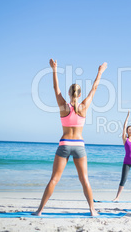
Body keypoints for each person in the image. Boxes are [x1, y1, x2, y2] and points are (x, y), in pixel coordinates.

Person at [32, 59, 107, 216]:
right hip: (79, 145)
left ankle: (39, 211)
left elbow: (55, 89)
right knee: (84, 179)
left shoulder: (63, 106)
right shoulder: (84, 106)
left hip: (65, 144)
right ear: (80, 94)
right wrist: (100, 72)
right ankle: (93, 210)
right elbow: (95, 88)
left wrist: (54, 69)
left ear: (69, 93)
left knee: (54, 179)